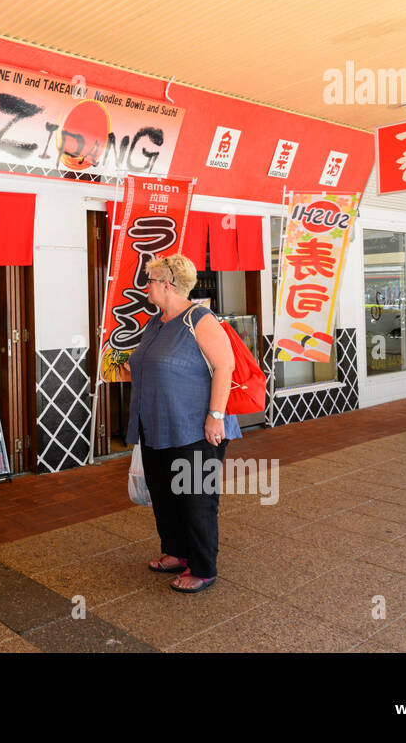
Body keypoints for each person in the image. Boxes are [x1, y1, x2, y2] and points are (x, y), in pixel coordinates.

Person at [126, 253, 241, 593]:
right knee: (163, 494)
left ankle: (204, 567)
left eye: (150, 280)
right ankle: (176, 551)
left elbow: (225, 366)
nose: (145, 286)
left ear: (168, 284)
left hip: (196, 429)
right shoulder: (155, 322)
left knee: (195, 497)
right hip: (156, 426)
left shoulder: (199, 319)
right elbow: (149, 364)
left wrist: (215, 416)